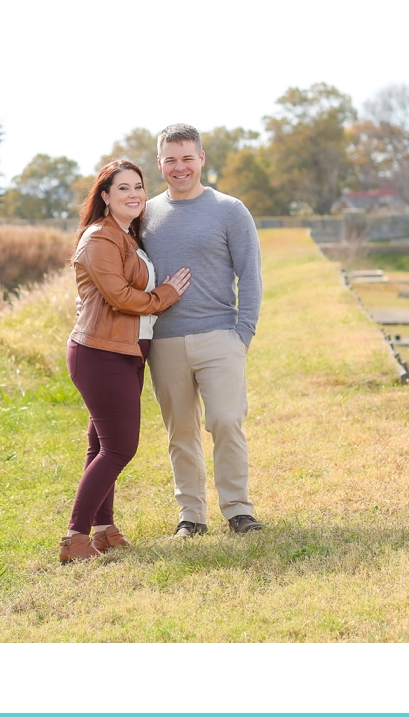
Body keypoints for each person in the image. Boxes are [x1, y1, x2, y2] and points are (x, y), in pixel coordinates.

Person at [60, 159, 192, 563]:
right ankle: (74, 538)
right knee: (119, 448)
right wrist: (165, 296)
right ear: (104, 196)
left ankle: (103, 530)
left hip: (125, 350)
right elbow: (120, 296)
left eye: (138, 187)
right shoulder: (101, 238)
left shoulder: (126, 236)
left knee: (101, 443)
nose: (134, 194)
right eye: (123, 188)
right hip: (101, 352)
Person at [143, 123, 264, 537]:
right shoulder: (146, 214)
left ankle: (238, 510)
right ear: (160, 163)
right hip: (164, 341)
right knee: (181, 432)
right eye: (171, 159)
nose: (180, 167)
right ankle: (191, 517)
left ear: (201, 159)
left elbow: (250, 276)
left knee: (227, 421)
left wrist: (243, 333)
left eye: (187, 158)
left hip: (220, 335)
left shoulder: (230, 210)